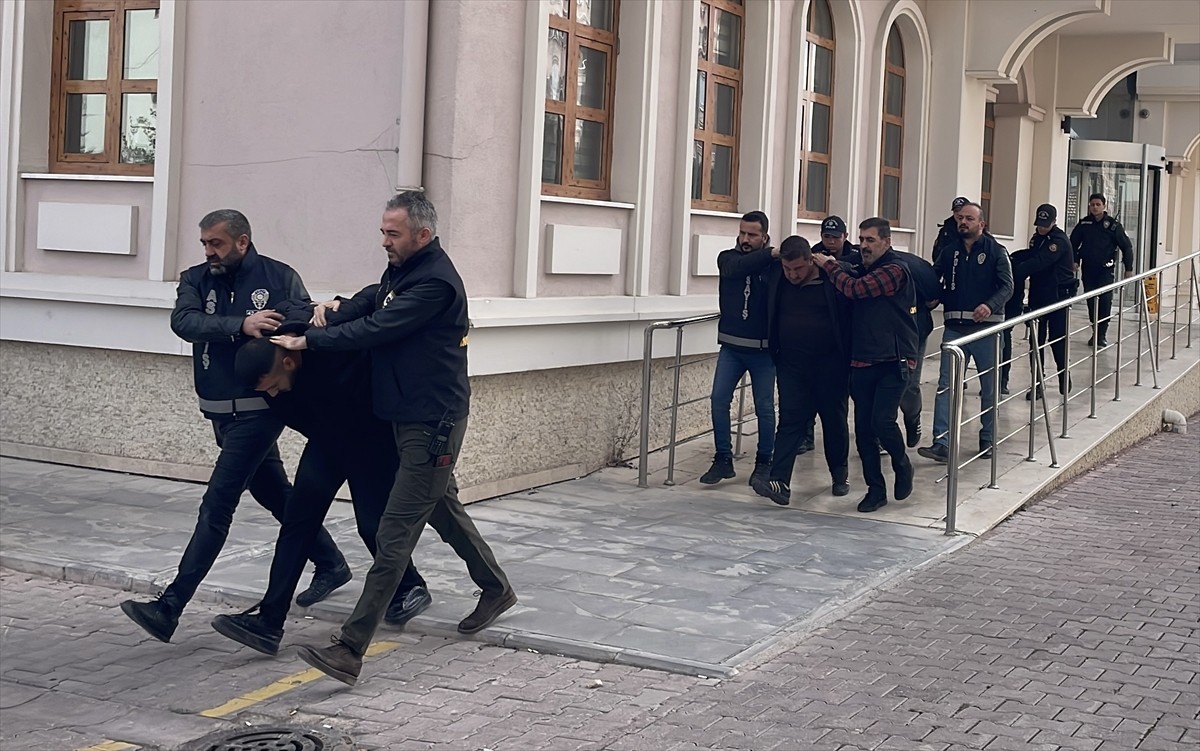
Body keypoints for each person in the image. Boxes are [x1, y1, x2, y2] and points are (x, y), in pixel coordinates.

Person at [276, 191, 515, 686]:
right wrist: (331, 308)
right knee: (443, 509)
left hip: (433, 423)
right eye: (383, 231)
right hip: (407, 417)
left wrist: (310, 340)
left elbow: (377, 328)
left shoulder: (436, 284)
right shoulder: (403, 270)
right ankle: (496, 588)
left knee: (394, 533)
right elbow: (371, 299)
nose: (384, 241)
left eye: (393, 233)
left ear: (422, 235)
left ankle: (350, 648)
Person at [120, 210, 350, 644]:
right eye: (205, 243)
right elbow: (184, 322)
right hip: (218, 411)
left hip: (259, 411)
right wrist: (239, 325)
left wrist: (285, 325)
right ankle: (330, 562)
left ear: (242, 242)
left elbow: (300, 320)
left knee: (217, 503)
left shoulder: (278, 276)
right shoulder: (194, 279)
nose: (209, 251)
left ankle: (170, 607)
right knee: (272, 492)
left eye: (217, 243)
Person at [208, 328, 434, 656]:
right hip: (326, 444)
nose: (271, 394)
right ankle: (269, 621)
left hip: (371, 442)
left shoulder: (332, 352)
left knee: (372, 526)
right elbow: (300, 417)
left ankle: (411, 586)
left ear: (288, 362)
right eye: (265, 390)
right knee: (297, 525)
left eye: (273, 384)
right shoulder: (274, 385)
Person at [813, 218, 917, 513]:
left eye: (870, 240)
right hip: (862, 359)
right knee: (863, 430)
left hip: (894, 359)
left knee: (882, 421)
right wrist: (836, 265)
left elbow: (855, 289)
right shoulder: (863, 266)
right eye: (861, 240)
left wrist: (829, 266)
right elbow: (852, 272)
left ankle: (902, 464)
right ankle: (875, 490)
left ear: (887, 241)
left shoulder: (895, 270)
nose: (864, 245)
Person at [751, 236, 851, 506]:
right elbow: (735, 264)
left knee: (834, 421)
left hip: (830, 364)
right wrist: (771, 254)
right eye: (787, 268)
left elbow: (855, 273)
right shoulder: (777, 276)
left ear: (811, 260)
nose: (792, 275)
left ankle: (839, 475)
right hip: (792, 364)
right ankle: (779, 482)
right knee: (790, 420)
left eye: (798, 268)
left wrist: (830, 264)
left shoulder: (830, 278)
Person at [918, 203, 1014, 463]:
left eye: (969, 218)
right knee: (946, 387)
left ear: (981, 224)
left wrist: (989, 305)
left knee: (989, 388)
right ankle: (942, 443)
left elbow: (1008, 286)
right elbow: (934, 278)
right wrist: (932, 297)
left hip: (987, 329)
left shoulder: (996, 251)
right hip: (954, 330)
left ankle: (988, 438)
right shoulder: (949, 251)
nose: (963, 222)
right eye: (960, 218)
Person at [699, 211, 778, 487]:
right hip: (731, 348)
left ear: (764, 237)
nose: (745, 239)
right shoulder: (728, 258)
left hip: (763, 351)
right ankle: (723, 458)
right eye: (742, 233)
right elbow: (737, 268)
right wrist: (770, 254)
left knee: (764, 408)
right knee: (719, 400)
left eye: (752, 235)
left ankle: (764, 462)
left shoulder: (774, 266)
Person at [793, 215, 862, 456]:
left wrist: (831, 264)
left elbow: (858, 271)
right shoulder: (814, 253)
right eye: (826, 236)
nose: (830, 241)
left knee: (849, 396)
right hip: (821, 333)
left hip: (849, 334)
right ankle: (806, 435)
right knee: (809, 393)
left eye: (835, 237)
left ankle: (865, 439)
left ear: (845, 236)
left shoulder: (856, 254)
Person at [1013, 204, 1076, 399]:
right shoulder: (1037, 238)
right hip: (1039, 296)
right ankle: (1037, 383)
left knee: (1057, 340)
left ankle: (1063, 376)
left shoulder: (1058, 241)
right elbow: (1031, 255)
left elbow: (1040, 261)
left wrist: (1016, 271)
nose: (1041, 228)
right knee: (1036, 342)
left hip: (1058, 297)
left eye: (1045, 225)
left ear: (1054, 222)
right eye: (1039, 224)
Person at [889, 250, 940, 448]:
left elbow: (933, 298)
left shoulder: (916, 267)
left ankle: (912, 417)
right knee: (881, 386)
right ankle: (882, 433)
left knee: (908, 384)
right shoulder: (863, 264)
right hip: (881, 336)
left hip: (914, 333)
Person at [1070, 193, 1134, 347]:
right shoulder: (1084, 224)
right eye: (1092, 204)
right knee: (1092, 302)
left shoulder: (1112, 225)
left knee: (1105, 301)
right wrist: (1075, 260)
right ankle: (1095, 331)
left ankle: (1102, 334)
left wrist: (1128, 268)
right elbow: (1073, 243)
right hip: (1089, 269)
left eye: (1098, 204)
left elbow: (1126, 247)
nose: (1095, 207)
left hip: (1106, 270)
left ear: (1104, 206)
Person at [931, 196, 970, 264]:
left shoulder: (977, 229)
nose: (958, 213)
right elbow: (937, 255)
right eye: (956, 211)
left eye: (961, 210)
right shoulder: (946, 231)